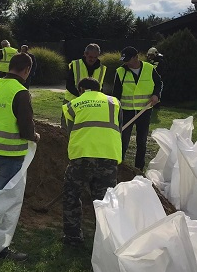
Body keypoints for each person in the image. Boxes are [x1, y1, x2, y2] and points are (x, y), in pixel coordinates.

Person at [0, 53, 40, 261]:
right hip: (10, 152)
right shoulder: (20, 92)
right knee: (6, 202)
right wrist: (35, 136)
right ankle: (1, 249)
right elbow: (26, 128)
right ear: (27, 70)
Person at [61, 77, 122, 246]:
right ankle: (105, 238)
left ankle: (73, 238)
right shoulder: (113, 102)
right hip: (109, 156)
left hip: (82, 156)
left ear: (81, 89)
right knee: (105, 199)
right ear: (99, 89)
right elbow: (119, 126)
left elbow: (68, 130)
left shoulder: (73, 105)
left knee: (71, 195)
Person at [113, 46, 162, 171]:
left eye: (128, 60)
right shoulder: (120, 71)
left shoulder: (149, 69)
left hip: (144, 111)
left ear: (136, 57)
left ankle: (138, 168)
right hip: (126, 111)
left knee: (141, 141)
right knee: (123, 140)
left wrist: (156, 95)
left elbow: (158, 83)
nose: (125, 63)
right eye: (124, 60)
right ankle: (120, 166)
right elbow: (116, 94)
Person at [63, 44, 107, 127]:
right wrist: (82, 97)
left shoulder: (102, 69)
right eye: (90, 57)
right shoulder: (75, 65)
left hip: (92, 105)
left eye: (95, 57)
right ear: (85, 54)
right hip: (72, 101)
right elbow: (69, 85)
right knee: (67, 129)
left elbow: (101, 88)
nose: (93, 59)